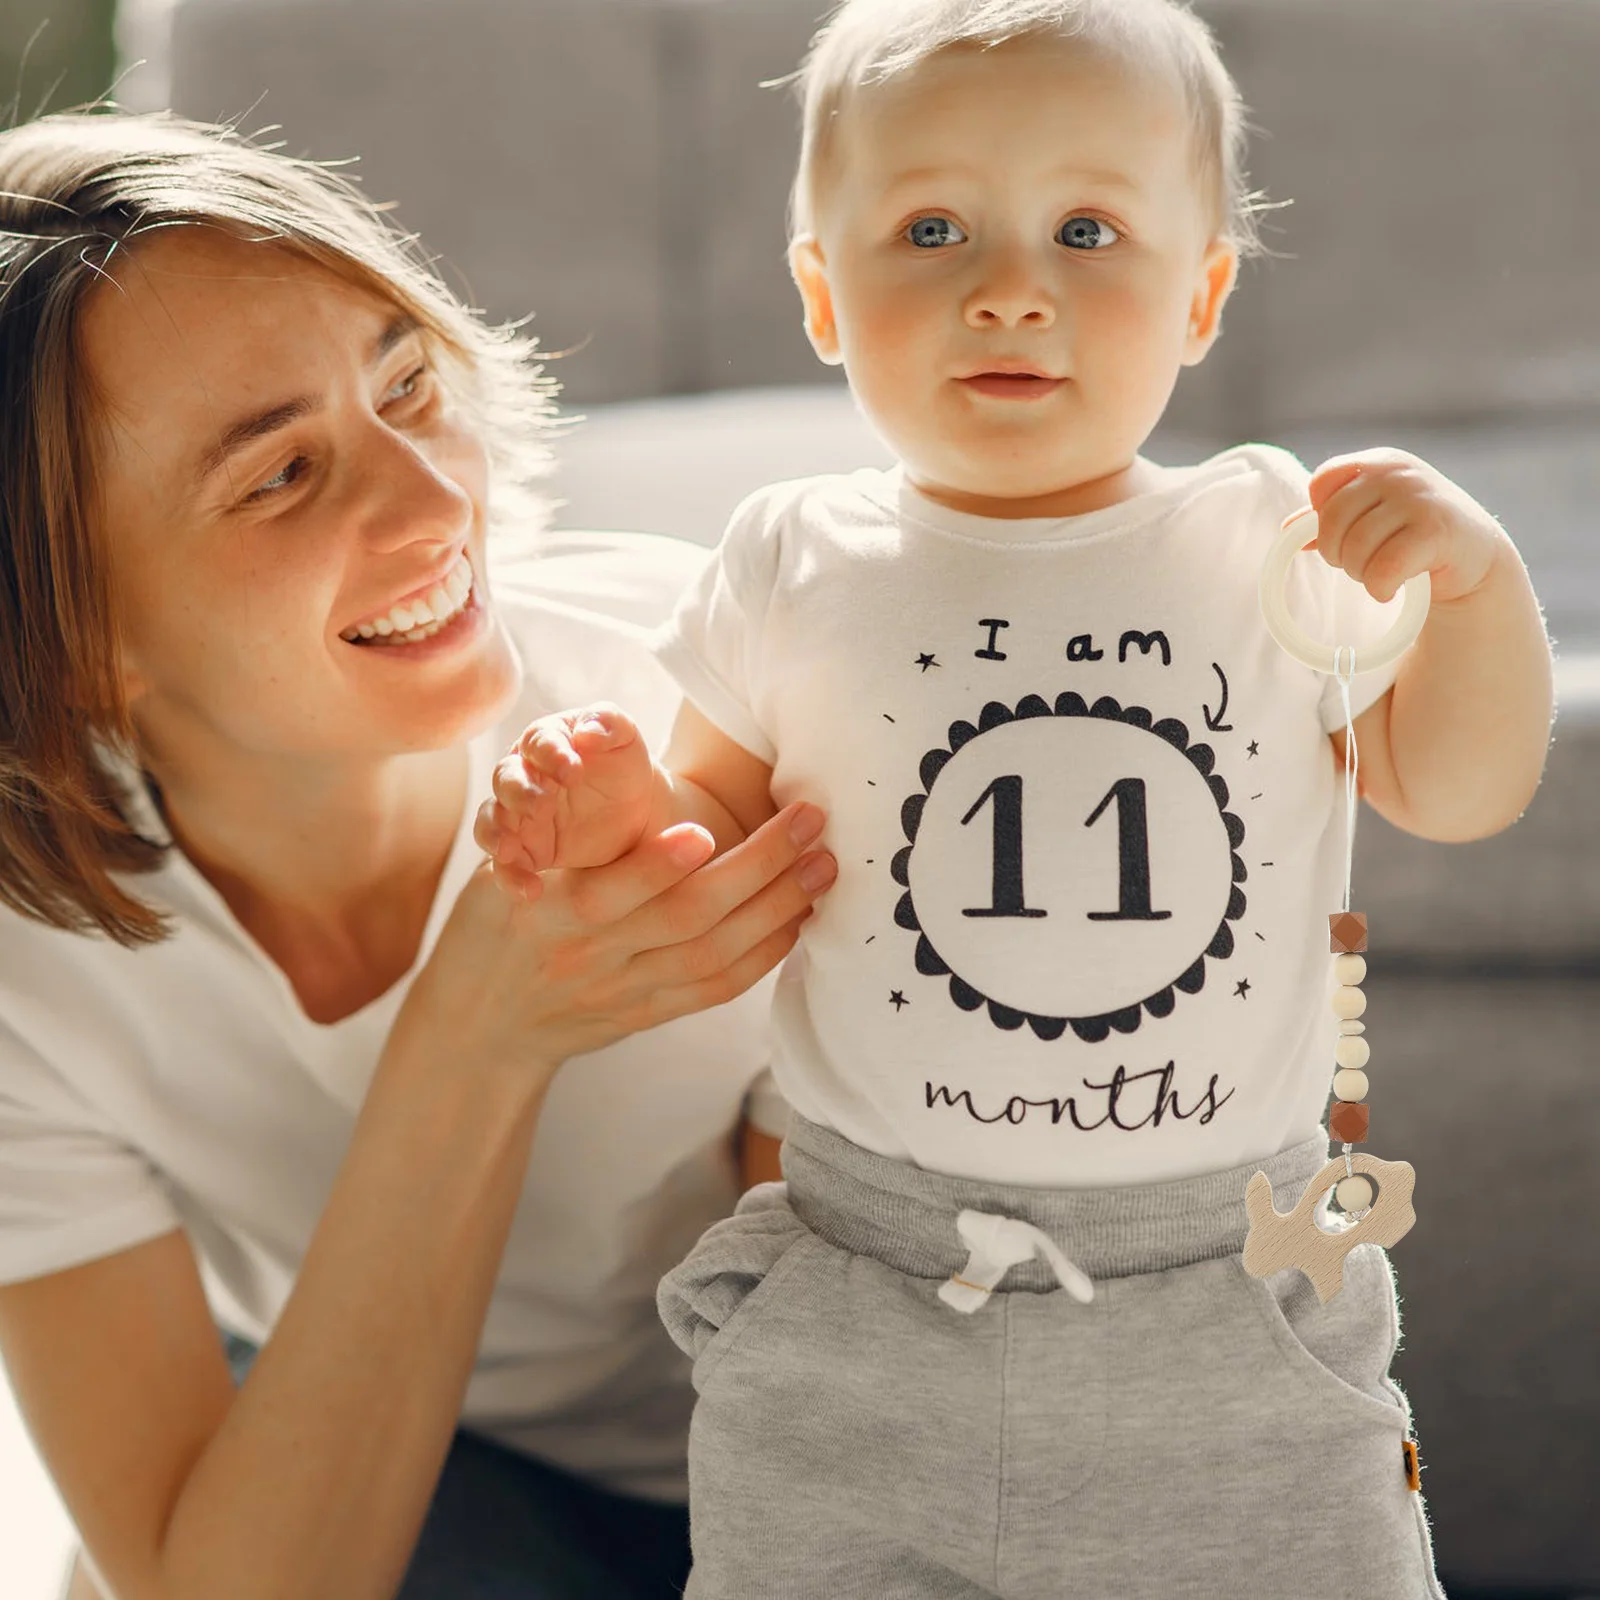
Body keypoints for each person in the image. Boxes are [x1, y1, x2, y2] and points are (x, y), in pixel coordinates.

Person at [484, 0, 1555, 1594]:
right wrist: (617, 814)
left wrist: (1478, 585)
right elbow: (717, 847)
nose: (1007, 288)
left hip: (1225, 1294)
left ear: (1201, 298)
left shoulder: (1271, 534)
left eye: (1085, 230)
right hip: (874, 1287)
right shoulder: (790, 554)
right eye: (929, 229)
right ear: (820, 294)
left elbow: (1459, 789)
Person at [0, 110, 839, 1600]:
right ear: (70, 649)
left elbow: (873, 1395)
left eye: (406, 385)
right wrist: (480, 1029)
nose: (438, 502)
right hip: (439, 1456)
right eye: (279, 477)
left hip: (798, 1461)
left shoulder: (734, 709)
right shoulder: (28, 970)